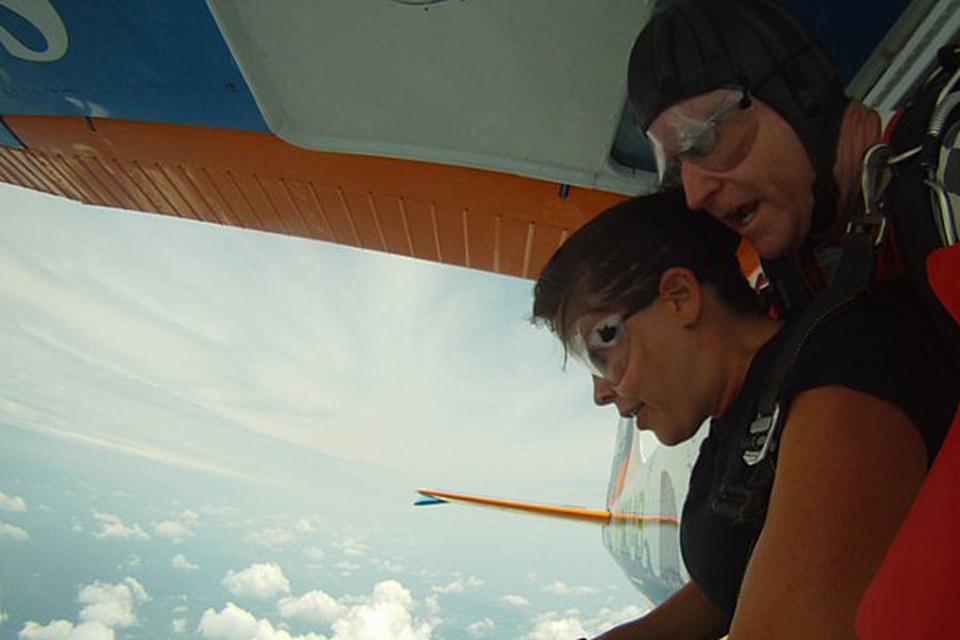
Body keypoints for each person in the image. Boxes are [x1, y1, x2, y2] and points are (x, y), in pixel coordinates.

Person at [531, 190, 958, 639]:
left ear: (680, 298)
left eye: (602, 346)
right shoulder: (743, 410)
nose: (601, 392)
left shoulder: (843, 378)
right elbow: (724, 590)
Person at [626, 0, 960, 354]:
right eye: (676, 170)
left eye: (703, 141)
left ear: (800, 95)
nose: (694, 195)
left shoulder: (944, 171)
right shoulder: (793, 285)